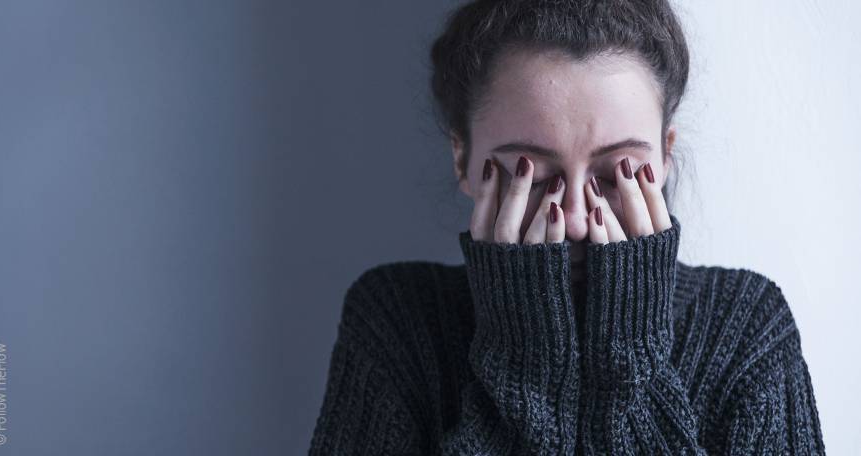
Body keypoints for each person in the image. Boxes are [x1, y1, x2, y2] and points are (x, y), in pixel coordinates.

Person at [308, 0, 826, 454]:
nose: (576, 219)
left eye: (612, 173)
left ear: (664, 157)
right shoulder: (396, 320)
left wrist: (631, 371)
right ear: (463, 159)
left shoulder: (747, 328)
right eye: (532, 176)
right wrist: (522, 365)